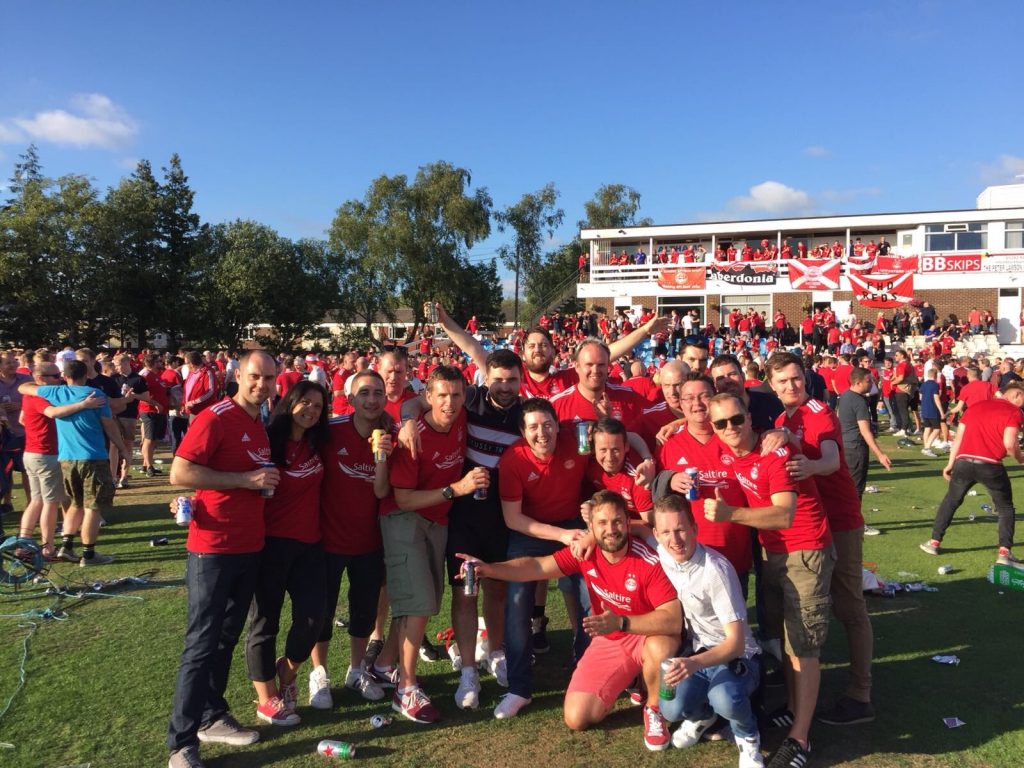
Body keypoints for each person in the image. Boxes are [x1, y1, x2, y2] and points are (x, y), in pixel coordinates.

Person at [459, 490, 681, 751]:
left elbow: (673, 620)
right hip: (612, 638)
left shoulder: (647, 560)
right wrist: (489, 568)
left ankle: (654, 710)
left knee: (660, 646)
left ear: (627, 522)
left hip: (646, 632)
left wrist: (622, 622)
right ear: (590, 528)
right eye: (602, 523)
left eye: (618, 521)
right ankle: (635, 678)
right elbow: (537, 566)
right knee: (577, 717)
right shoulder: (586, 553)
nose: (611, 530)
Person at [703, 393, 833, 768]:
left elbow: (784, 515)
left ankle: (800, 739)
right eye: (721, 423)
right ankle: (794, 710)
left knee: (803, 645)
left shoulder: (773, 451)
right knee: (785, 639)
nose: (730, 428)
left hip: (804, 549)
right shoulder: (728, 450)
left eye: (736, 420)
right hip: (773, 553)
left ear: (748, 417)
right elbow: (693, 426)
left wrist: (731, 513)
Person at [165, 351, 282, 768]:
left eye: (269, 378)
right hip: (212, 547)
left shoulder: (258, 421)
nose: (262, 384)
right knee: (200, 643)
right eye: (255, 376)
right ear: (237, 375)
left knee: (225, 637)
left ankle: (211, 715)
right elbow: (179, 472)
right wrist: (244, 481)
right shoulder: (215, 416)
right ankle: (180, 744)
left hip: (249, 546)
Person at [765, 353, 875, 727]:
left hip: (840, 521)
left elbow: (829, 459)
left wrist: (810, 465)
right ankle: (802, 696)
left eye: (795, 378)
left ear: (805, 378)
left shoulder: (818, 412)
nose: (790, 386)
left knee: (849, 607)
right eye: (782, 381)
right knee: (803, 611)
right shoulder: (782, 419)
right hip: (809, 527)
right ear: (772, 385)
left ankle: (860, 694)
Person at [376, 366, 488, 724]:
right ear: (429, 397)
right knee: (420, 601)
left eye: (456, 395)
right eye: (442, 395)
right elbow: (403, 499)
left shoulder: (460, 418)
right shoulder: (413, 436)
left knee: (424, 599)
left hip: (437, 520)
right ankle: (405, 689)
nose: (450, 403)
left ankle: (382, 665)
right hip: (403, 518)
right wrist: (456, 490)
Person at [653, 495, 765, 767]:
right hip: (699, 651)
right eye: (666, 532)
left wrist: (692, 663)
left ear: (694, 528)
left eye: (680, 529)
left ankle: (748, 737)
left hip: (736, 656)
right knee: (670, 708)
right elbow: (633, 535)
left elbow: (736, 644)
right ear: (657, 535)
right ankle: (703, 716)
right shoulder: (662, 552)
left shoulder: (715, 570)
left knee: (725, 698)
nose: (675, 539)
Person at [244, 381, 328, 727]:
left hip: (311, 544)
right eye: (304, 403)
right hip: (269, 545)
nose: (310, 410)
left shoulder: (319, 442)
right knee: (265, 622)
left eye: (318, 407)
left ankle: (288, 672)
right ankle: (267, 699)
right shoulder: (266, 441)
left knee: (314, 618)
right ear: (289, 402)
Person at [311, 370, 396, 708]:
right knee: (321, 609)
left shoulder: (390, 434)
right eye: (364, 393)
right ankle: (319, 674)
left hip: (370, 539)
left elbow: (382, 489)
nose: (372, 399)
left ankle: (356, 669)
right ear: (350, 398)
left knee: (363, 610)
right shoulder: (330, 431)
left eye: (378, 392)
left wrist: (383, 454)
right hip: (328, 539)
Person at [18, 359, 129, 566]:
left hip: (66, 459)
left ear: (65, 376)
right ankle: (89, 554)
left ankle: (66, 547)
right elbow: (109, 425)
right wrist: (123, 449)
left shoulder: (55, 393)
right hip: (92, 457)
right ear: (87, 374)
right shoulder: (95, 395)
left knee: (76, 504)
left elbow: (24, 387)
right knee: (93, 507)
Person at [920, 381, 1024, 567]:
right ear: (1016, 395)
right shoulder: (1014, 412)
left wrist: (950, 463)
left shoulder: (976, 407)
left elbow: (958, 438)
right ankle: (1004, 552)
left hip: (964, 462)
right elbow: (1009, 444)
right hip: (990, 464)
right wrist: (1020, 458)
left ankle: (934, 542)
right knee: (1005, 508)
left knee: (951, 501)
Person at [836, 368, 892, 497]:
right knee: (855, 489)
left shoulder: (844, 395)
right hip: (856, 447)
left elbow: (838, 418)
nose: (872, 383)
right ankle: (853, 516)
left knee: (845, 487)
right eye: (868, 381)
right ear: (858, 383)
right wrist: (880, 455)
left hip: (844, 446)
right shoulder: (859, 401)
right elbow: (865, 431)